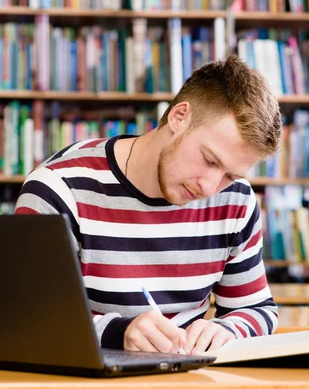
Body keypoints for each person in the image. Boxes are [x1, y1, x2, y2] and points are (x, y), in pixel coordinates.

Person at [14, 55, 282, 355]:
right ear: (179, 118)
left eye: (230, 175)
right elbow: (27, 316)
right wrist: (120, 333)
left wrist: (226, 330)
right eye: (209, 160)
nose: (209, 187)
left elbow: (257, 308)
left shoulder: (236, 201)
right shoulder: (59, 188)